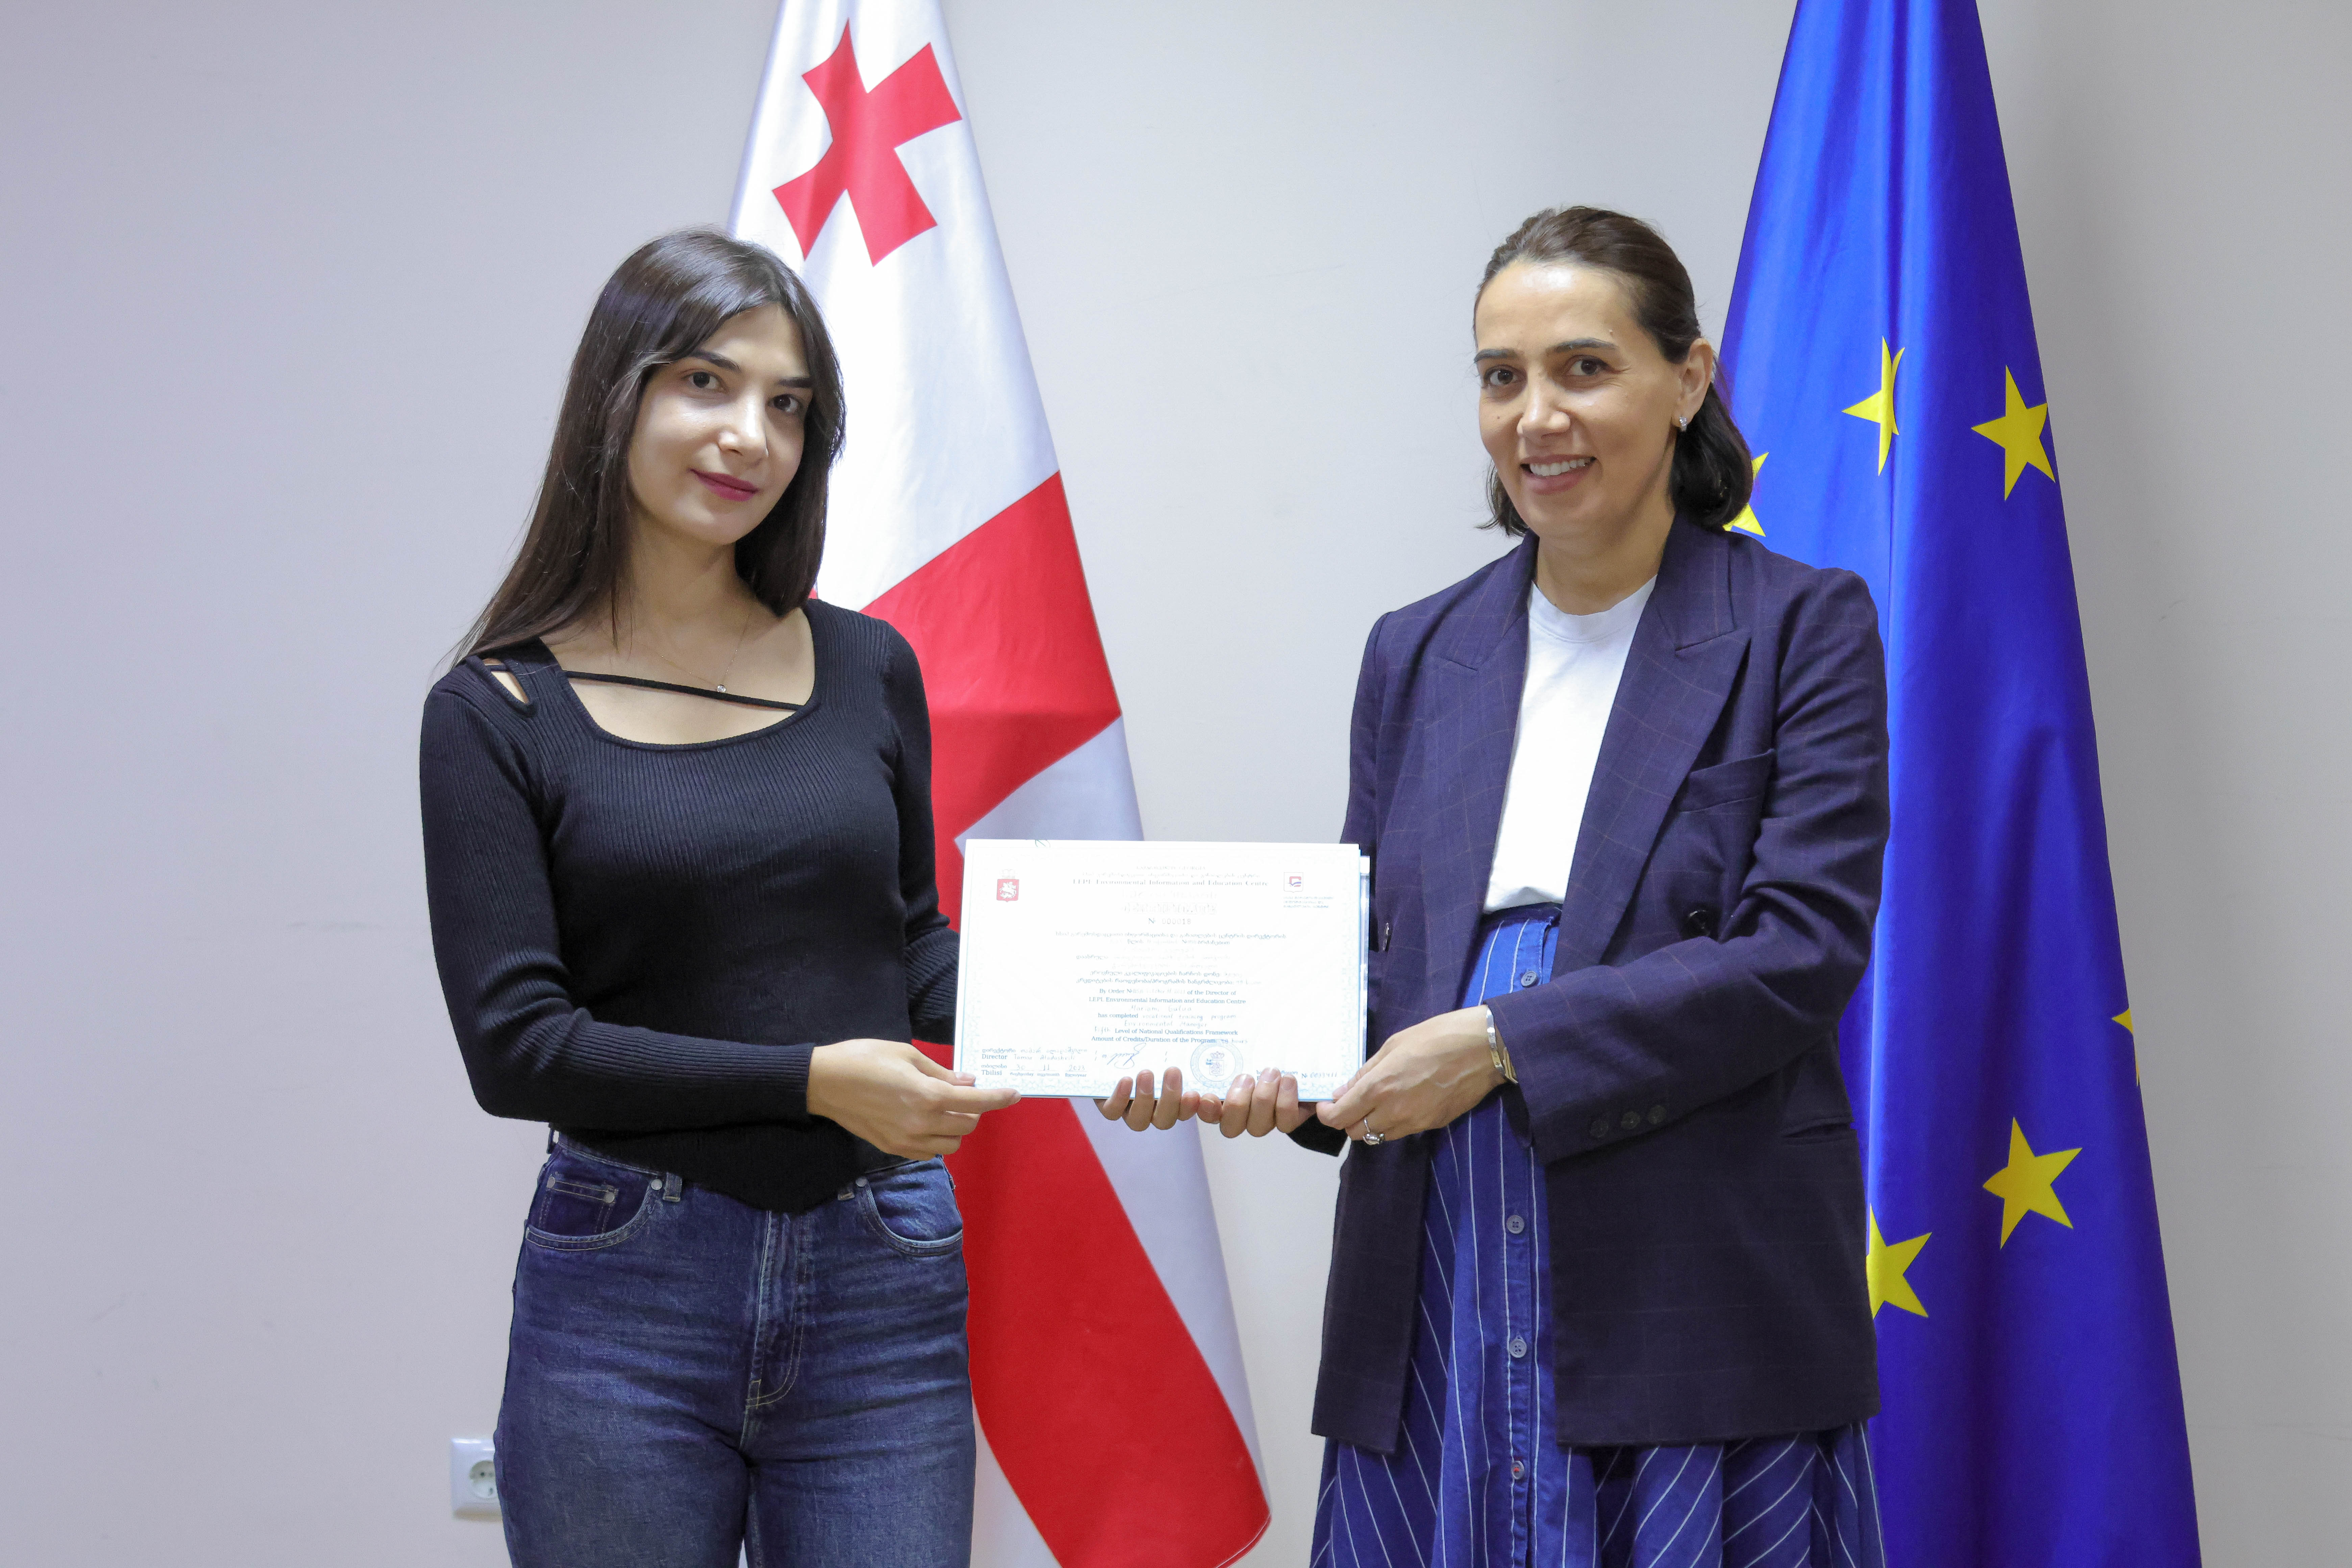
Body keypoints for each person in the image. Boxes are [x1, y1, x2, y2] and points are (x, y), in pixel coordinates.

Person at [1150, 206, 1893, 1566]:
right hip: (1433, 1275)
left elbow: (1801, 951)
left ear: (1689, 378)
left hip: (1692, 1272)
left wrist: (1501, 1042)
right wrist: (1254, 1063)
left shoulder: (1804, 624)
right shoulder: (1415, 650)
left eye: (1583, 368)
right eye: (1502, 376)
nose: (1536, 416)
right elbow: (1365, 971)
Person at [418, 230, 1016, 1568]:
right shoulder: (497, 710)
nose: (752, 434)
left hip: (884, 1272)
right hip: (624, 1288)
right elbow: (519, 1049)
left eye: (789, 405)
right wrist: (813, 1081)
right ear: (617, 395)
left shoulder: (868, 665)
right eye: (707, 382)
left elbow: (909, 943)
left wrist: (1119, 1017)